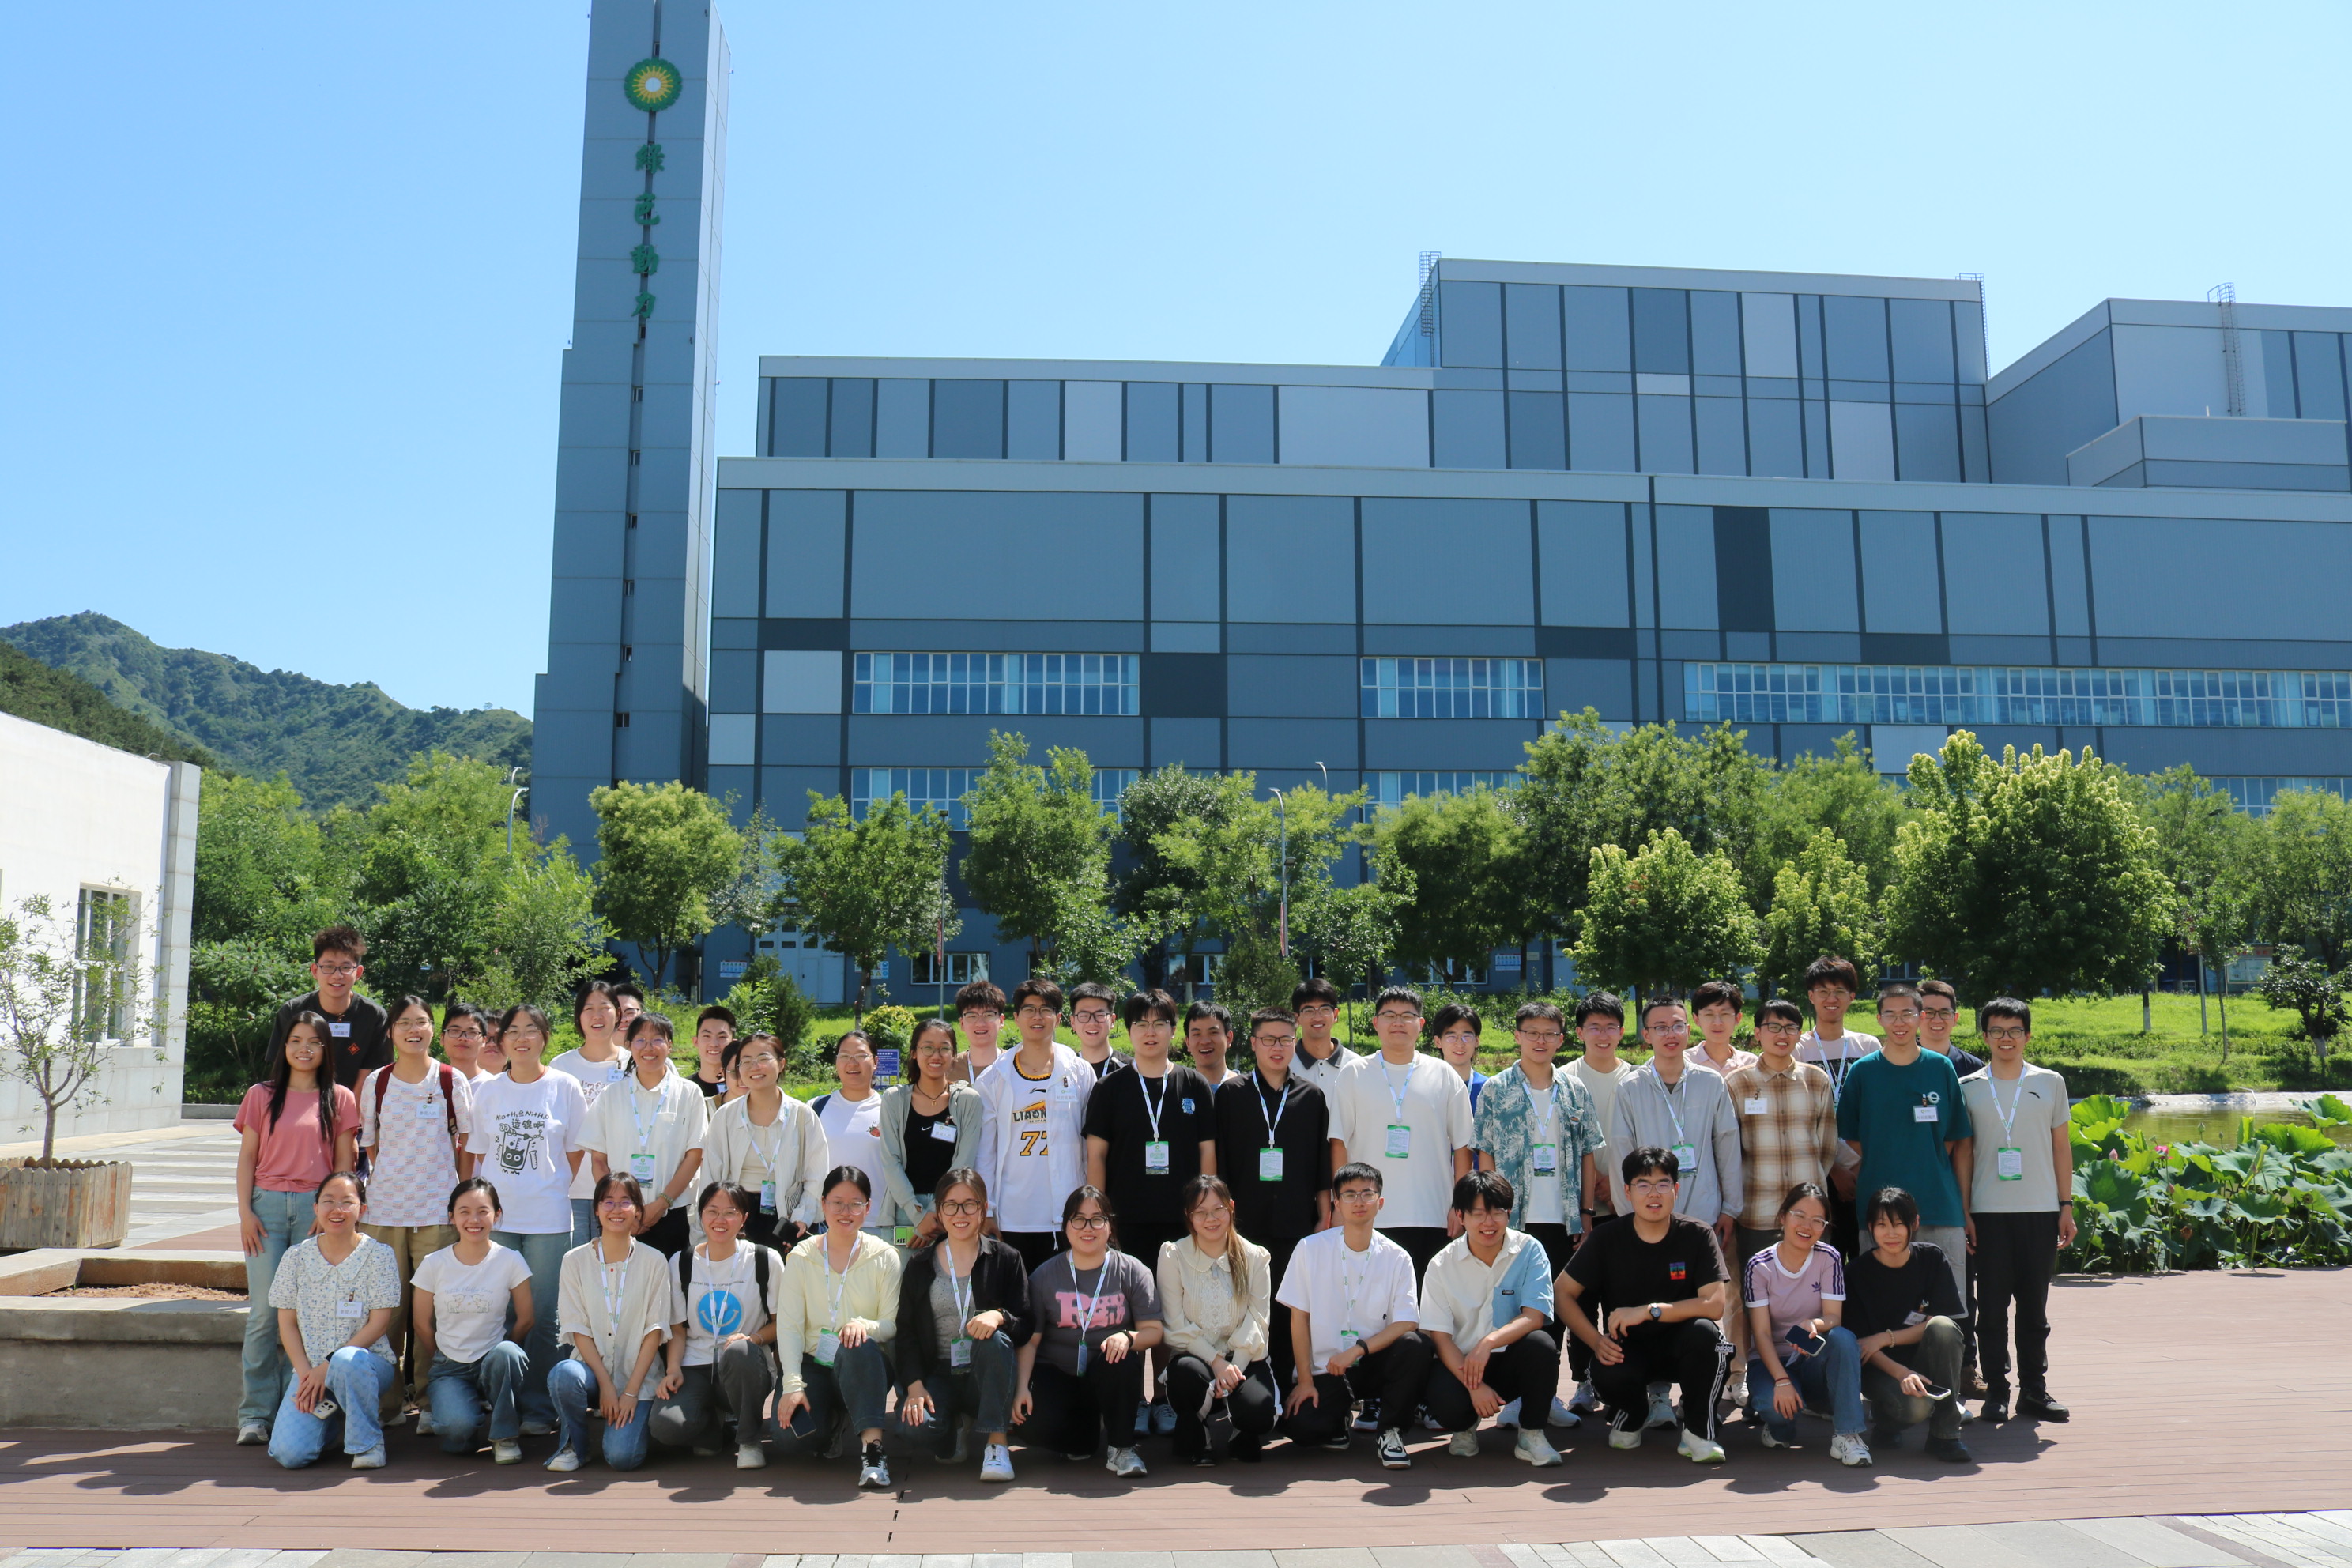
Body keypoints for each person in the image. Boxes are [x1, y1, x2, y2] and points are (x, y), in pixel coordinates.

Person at [1555, 1146, 1733, 1464]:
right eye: (1643, 1185)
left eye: (1663, 1184)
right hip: (1629, 1349)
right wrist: (1595, 1341)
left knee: (1710, 1337)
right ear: (1627, 1192)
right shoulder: (1607, 1238)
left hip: (1682, 1345)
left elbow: (1715, 1305)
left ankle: (1697, 1433)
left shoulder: (1697, 1234)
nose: (1654, 1194)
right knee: (1606, 1369)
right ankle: (1633, 1415)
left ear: (1676, 1189)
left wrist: (1650, 1310)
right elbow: (1561, 1293)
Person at [233, 1012, 360, 1446]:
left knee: (307, 1316)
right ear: (284, 1047)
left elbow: (344, 1166)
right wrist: (245, 1213)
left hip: (315, 1211)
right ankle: (254, 1415)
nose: (304, 1049)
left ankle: (298, 1409)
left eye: (314, 1042)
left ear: (326, 1049)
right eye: (295, 1040)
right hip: (265, 1211)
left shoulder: (340, 1098)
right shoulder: (261, 1095)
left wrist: (329, 1212)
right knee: (264, 1314)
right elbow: (247, 1158)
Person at [468, 1004, 590, 1437]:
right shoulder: (488, 1091)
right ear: (500, 1040)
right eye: (513, 1031)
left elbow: (575, 1154)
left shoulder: (565, 1086)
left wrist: (546, 1188)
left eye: (531, 1030)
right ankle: (501, 1403)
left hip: (549, 1219)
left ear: (545, 1037)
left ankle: (539, 1406)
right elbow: (479, 1155)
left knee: (543, 1315)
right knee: (499, 1311)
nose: (522, 1038)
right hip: (499, 1221)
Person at [355, 996, 473, 1427]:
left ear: (432, 1030)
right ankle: (387, 1405)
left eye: (421, 1022)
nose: (413, 1030)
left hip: (437, 1214)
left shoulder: (450, 1079)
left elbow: (466, 1143)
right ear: (391, 1032)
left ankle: (429, 1402)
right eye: (404, 1023)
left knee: (432, 1315)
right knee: (385, 1311)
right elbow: (371, 1144)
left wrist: (456, 1198)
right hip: (384, 1213)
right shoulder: (378, 1082)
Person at [1960, 997, 2073, 1426]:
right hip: (1987, 1212)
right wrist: (1966, 1210)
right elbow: (1964, 1153)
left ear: (2027, 1035)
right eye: (1996, 1031)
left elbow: (2061, 1147)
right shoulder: (1968, 1086)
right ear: (1984, 1036)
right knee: (1990, 1309)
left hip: (2040, 1209)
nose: (2005, 1039)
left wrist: (2065, 1205)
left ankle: (2034, 1391)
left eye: (2014, 1031)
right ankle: (1996, 1392)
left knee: (2033, 1309)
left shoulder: (2050, 1082)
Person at [1275, 1162, 1430, 1469]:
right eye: (1349, 1195)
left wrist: (1358, 1349)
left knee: (1416, 1345)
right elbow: (1299, 1319)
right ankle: (1338, 1418)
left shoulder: (1397, 1257)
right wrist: (1305, 1381)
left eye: (1367, 1194)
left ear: (1380, 1202)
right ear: (1336, 1203)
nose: (1359, 1202)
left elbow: (1407, 1321)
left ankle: (1391, 1432)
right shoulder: (1309, 1249)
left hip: (1373, 1361)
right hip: (1328, 1368)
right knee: (1303, 1429)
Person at [1211, 1007, 1330, 1393]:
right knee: (1245, 1305)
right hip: (1245, 1222)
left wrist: (1324, 1217)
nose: (1277, 1048)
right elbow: (1221, 1163)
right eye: (1268, 1040)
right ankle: (1247, 1387)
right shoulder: (1231, 1094)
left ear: (1295, 1043)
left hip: (1296, 1222)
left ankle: (1288, 1383)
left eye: (1285, 1040)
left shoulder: (1311, 1097)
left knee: (1289, 1305)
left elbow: (1321, 1165)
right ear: (1253, 1043)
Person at [1837, 982, 1970, 1325]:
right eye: (1891, 1015)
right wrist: (1888, 1153)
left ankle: (1952, 1362)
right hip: (1879, 1212)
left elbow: (1954, 1137)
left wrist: (1924, 1157)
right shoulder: (1862, 1072)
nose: (1900, 1022)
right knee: (1881, 1309)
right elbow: (1851, 1136)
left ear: (1920, 1017)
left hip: (1938, 1204)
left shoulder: (1941, 1068)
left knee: (1946, 1314)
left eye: (1907, 1014)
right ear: (1879, 1019)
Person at [1012, 1185, 1163, 1477]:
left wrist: (1128, 1337)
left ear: (1110, 1225)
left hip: (1106, 1370)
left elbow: (1154, 1331)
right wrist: (1020, 1389)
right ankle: (1085, 1432)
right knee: (1033, 1427)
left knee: (1124, 1360)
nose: (1088, 1228)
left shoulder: (1133, 1271)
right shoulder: (1044, 1275)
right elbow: (1031, 1342)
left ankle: (1122, 1448)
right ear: (1066, 1226)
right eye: (1079, 1220)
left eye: (1097, 1219)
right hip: (1058, 1371)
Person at [1720, 997, 1838, 1370]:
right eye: (1773, 1026)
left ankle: (1805, 1374)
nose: (1782, 1034)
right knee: (1753, 1300)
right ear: (1757, 1033)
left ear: (1800, 1034)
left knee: (1811, 1300)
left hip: (1810, 1218)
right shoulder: (1737, 1083)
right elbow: (1729, 1150)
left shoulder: (1816, 1080)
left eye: (1790, 1027)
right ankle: (1753, 1376)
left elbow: (1827, 1146)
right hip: (1758, 1212)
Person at [1421, 1170, 1566, 1467]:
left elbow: (1534, 1317)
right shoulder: (1441, 1264)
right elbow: (1441, 1338)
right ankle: (1464, 1428)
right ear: (1460, 1216)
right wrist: (1474, 1386)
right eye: (1478, 1214)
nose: (1489, 1223)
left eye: (1497, 1212)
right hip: (1461, 1364)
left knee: (1541, 1345)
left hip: (1508, 1359)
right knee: (1449, 1406)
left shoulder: (1529, 1250)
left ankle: (1532, 1434)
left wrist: (1488, 1343)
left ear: (1509, 1213)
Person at [1327, 986, 1473, 1278]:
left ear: (1421, 1024)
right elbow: (1339, 1143)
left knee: (1426, 1299)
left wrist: (1459, 1205)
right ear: (1375, 1023)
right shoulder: (1354, 1073)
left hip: (1432, 1214)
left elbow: (1463, 1146)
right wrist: (1340, 1204)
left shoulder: (1443, 1074)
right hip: (1369, 1215)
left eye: (1407, 1016)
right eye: (1389, 1015)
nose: (1398, 1022)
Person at [896, 1168, 1031, 1482]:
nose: (961, 1214)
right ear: (940, 1211)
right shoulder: (920, 1264)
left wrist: (1000, 1316)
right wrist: (915, 1386)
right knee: (913, 1429)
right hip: (938, 1373)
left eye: (970, 1204)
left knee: (994, 1340)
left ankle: (997, 1443)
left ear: (983, 1209)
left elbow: (1027, 1324)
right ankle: (955, 1428)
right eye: (951, 1205)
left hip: (987, 1374)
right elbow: (906, 1334)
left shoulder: (1005, 1258)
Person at [772, 1167, 904, 1487]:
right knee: (790, 1438)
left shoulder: (885, 1256)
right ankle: (833, 1423)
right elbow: (789, 1326)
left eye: (855, 1204)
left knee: (857, 1344)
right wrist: (792, 1385)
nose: (846, 1212)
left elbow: (891, 1324)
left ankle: (873, 1451)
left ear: (868, 1208)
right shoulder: (801, 1256)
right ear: (823, 1205)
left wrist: (863, 1326)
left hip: (864, 1365)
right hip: (814, 1364)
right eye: (837, 1203)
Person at [263, 1170, 402, 1469]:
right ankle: (333, 1425)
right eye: (328, 1201)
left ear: (362, 1210)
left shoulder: (380, 1256)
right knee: (290, 1455)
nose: (337, 1209)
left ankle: (368, 1444)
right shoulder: (295, 1257)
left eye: (347, 1202)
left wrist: (328, 1366)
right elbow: (287, 1323)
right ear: (316, 1208)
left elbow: (379, 1324)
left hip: (365, 1367)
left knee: (348, 1360)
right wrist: (306, 1374)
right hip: (310, 1372)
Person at [648, 1180, 786, 1468]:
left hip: (744, 1365)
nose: (720, 1220)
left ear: (744, 1218)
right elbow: (678, 1329)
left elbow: (781, 1322)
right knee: (665, 1427)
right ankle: (712, 1432)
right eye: (712, 1211)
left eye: (730, 1213)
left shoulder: (765, 1259)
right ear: (700, 1215)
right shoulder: (682, 1262)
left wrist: (753, 1340)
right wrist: (673, 1369)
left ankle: (749, 1440)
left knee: (739, 1352)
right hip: (694, 1365)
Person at [1085, 988, 1219, 1276]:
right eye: (1141, 1024)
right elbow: (1096, 1156)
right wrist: (1098, 1213)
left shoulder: (1195, 1084)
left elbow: (1207, 1150)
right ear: (1128, 1031)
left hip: (1185, 1218)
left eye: (1159, 1023)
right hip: (1125, 1218)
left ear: (1173, 1030)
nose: (1151, 1032)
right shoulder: (1109, 1088)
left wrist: (1206, 1207)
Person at [548, 1173, 673, 1472]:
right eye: (608, 1202)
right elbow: (577, 1327)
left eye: (626, 1202)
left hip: (638, 1380)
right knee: (564, 1374)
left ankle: (628, 1425)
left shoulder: (655, 1261)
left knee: (622, 1458)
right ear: (596, 1209)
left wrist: (629, 1392)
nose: (617, 1210)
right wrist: (605, 1384)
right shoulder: (574, 1260)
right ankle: (574, 1446)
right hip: (592, 1374)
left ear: (638, 1211)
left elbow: (654, 1331)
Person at [1474, 1001, 1607, 1279]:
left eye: (1549, 1034)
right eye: (1532, 1033)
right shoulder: (1495, 1089)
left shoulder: (1575, 1090)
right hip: (1512, 1219)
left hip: (1565, 1220)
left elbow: (1588, 1153)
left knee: (1560, 1297)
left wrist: (1586, 1212)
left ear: (1561, 1040)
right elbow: (1486, 1153)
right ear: (1517, 1036)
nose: (1540, 1041)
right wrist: (1490, 1211)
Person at [972, 978, 1096, 1270]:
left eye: (1045, 1010)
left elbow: (1090, 1146)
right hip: (1014, 1214)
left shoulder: (1080, 1072)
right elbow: (986, 1152)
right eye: (1029, 1010)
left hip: (1069, 1211)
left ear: (1059, 1018)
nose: (1037, 1017)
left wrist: (1091, 1202)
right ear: (1016, 1018)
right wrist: (986, 1209)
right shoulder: (993, 1078)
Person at [1741, 1182, 1868, 1464]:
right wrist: (1782, 1380)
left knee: (1843, 1337)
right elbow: (1761, 1333)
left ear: (1825, 1227)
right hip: (1771, 1360)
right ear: (1783, 1217)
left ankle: (1847, 1435)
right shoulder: (1759, 1265)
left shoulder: (1829, 1257)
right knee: (1773, 1408)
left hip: (1811, 1356)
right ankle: (1779, 1427)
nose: (1807, 1226)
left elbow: (1834, 1318)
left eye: (1817, 1220)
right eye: (1799, 1215)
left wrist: (1815, 1323)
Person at [1156, 1174, 1277, 1465]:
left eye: (1218, 1210)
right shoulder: (1173, 1255)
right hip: (1197, 1357)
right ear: (1189, 1216)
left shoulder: (1256, 1257)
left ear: (1231, 1208)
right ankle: (1200, 1432)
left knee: (1257, 1411)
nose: (1210, 1219)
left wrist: (1232, 1371)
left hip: (1243, 1358)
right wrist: (1216, 1363)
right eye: (1200, 1212)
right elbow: (1174, 1326)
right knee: (1185, 1376)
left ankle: (1241, 1431)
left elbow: (1258, 1321)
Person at [413, 1177, 534, 1463]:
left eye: (483, 1211)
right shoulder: (433, 1263)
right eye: (464, 1212)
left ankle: (505, 1436)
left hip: (493, 1357)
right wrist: (443, 1355)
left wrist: (504, 1355)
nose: (474, 1220)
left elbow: (526, 1319)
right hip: (449, 1367)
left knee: (508, 1354)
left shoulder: (511, 1260)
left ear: (497, 1215)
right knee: (457, 1432)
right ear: (452, 1217)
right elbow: (421, 1323)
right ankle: (467, 1416)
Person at [1845, 1185, 1969, 1461]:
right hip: (1880, 1368)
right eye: (1882, 1225)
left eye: (1899, 1224)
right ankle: (1886, 1420)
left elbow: (1940, 1322)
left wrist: (1886, 1337)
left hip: (1923, 1359)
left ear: (1915, 1223)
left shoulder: (1932, 1258)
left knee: (1944, 1328)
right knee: (1915, 1408)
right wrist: (1901, 1373)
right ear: (1870, 1227)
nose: (1891, 1233)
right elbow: (1863, 1345)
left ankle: (1946, 1435)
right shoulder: (1855, 1273)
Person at [1608, 997, 1741, 1249]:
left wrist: (1730, 1209)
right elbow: (1620, 1152)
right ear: (1646, 1035)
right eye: (1660, 1027)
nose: (1671, 1034)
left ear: (1689, 1030)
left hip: (1705, 1213)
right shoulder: (1630, 1087)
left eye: (1678, 1026)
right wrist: (1628, 1215)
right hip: (1648, 1214)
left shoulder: (1711, 1082)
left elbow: (1728, 1145)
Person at [1559, 989, 1634, 1415]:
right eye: (1593, 1027)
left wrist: (1617, 1183)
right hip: (1578, 1209)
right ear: (1579, 1032)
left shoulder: (1637, 1078)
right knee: (1581, 1297)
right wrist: (1591, 1189)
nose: (1602, 1035)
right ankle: (1584, 1379)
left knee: (1621, 1296)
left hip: (1625, 1206)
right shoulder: (1563, 1078)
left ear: (1622, 1032)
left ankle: (1622, 1380)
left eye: (1610, 1027)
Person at [583, 1012, 708, 1258]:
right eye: (640, 1040)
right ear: (629, 1045)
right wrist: (619, 1206)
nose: (648, 1048)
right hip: (619, 1217)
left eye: (657, 1040)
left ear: (670, 1045)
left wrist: (661, 1203)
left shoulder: (689, 1093)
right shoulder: (611, 1095)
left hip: (672, 1213)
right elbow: (598, 1159)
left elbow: (695, 1156)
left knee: (671, 1279)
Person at [699, 1032, 829, 1251]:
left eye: (763, 1058)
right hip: (736, 1217)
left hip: (787, 1219)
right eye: (746, 1061)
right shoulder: (726, 1116)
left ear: (781, 1064)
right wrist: (714, 1219)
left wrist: (802, 1218)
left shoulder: (802, 1115)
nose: (755, 1067)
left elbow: (817, 1175)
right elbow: (711, 1175)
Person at [1797, 955, 1879, 1252]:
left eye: (1839, 991)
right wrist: (1834, 1169)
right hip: (1818, 1171)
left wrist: (1861, 1166)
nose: (1831, 999)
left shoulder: (1868, 1046)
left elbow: (1876, 1112)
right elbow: (1798, 1119)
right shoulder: (1798, 1048)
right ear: (1811, 996)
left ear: (1852, 996)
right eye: (1823, 991)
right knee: (1823, 1255)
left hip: (1866, 1168)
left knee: (1866, 1254)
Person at [880, 1018, 984, 1241]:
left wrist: (937, 1209)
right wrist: (917, 1215)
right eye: (927, 1048)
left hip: (953, 1212)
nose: (936, 1055)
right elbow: (890, 1160)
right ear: (914, 1053)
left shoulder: (968, 1100)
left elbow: (964, 1162)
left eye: (944, 1048)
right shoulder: (894, 1099)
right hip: (904, 1210)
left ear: (953, 1055)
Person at [548, 982, 635, 1244]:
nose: (597, 1016)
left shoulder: (634, 1062)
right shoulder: (560, 1066)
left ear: (618, 1014)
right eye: (589, 1009)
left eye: (604, 1008)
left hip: (621, 1193)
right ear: (578, 1017)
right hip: (570, 1190)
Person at [266, 925, 390, 1091]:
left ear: (358, 972)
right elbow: (280, 1069)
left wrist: (349, 1106)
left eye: (346, 968)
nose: (337, 975)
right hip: (301, 1097)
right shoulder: (292, 1012)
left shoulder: (374, 1016)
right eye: (329, 967)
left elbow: (368, 1074)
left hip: (355, 1100)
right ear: (315, 970)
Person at [810, 1031, 894, 1236]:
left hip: (877, 1223)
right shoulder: (816, 1107)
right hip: (826, 1223)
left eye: (861, 1056)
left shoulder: (889, 1109)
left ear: (875, 1062)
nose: (852, 1063)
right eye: (845, 1056)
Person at [1290, 975, 1361, 1092]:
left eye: (1325, 1009)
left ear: (1335, 1015)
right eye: (1309, 1011)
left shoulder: (1356, 1066)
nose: (1317, 1018)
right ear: (1297, 1018)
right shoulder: (1285, 1066)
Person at [1918, 980, 1988, 1079]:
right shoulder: (1899, 1064)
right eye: (1929, 1013)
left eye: (1945, 1013)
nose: (1937, 1020)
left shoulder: (1974, 1068)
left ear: (1955, 1018)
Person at [1690, 980, 1759, 1078]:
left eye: (1725, 1014)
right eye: (1709, 1014)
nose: (1717, 1023)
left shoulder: (1750, 1064)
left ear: (1737, 1018)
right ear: (1696, 1019)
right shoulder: (1684, 1062)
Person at [1430, 1002, 1488, 1110]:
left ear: (1477, 1041)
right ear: (1438, 1041)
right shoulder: (1426, 1087)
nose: (1460, 1044)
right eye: (1452, 1036)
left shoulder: (1488, 1088)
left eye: (1467, 1036)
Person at [950, 978, 1008, 1083]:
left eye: (988, 1015)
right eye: (972, 1016)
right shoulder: (948, 1070)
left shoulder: (1017, 1066)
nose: (980, 1024)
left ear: (1001, 1021)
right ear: (962, 1023)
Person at [1069, 982, 1129, 1080]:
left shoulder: (1131, 1070)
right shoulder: (1064, 1070)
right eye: (1084, 1016)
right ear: (1073, 1022)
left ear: (1112, 1020)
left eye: (1100, 1015)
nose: (1092, 1023)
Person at [439, 1001, 502, 1082]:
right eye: (455, 1031)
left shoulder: (492, 1085)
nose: (462, 1038)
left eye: (472, 1033)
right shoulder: (430, 1084)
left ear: (484, 1040)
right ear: (442, 1038)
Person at [1184, 999, 1234, 1090]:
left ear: (1228, 1038)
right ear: (1188, 1043)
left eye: (1213, 1033)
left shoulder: (1246, 1089)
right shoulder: (1178, 1091)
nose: (1205, 1041)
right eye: (1197, 1034)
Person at [688, 1006, 737, 1098]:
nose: (714, 1044)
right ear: (696, 1041)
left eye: (722, 1037)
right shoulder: (684, 1089)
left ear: (733, 1043)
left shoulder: (743, 1088)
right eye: (707, 1036)